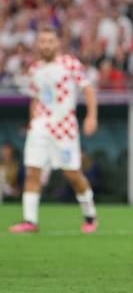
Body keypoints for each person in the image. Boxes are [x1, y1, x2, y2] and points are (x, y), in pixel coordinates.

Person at [9, 25, 98, 233]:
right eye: (42, 41)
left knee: (73, 175)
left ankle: (90, 215)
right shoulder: (34, 69)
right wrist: (33, 122)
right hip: (40, 127)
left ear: (58, 43)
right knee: (32, 171)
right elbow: (35, 98)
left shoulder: (70, 64)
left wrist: (92, 117)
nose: (46, 45)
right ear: (38, 44)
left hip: (65, 128)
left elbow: (88, 89)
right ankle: (30, 221)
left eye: (50, 41)